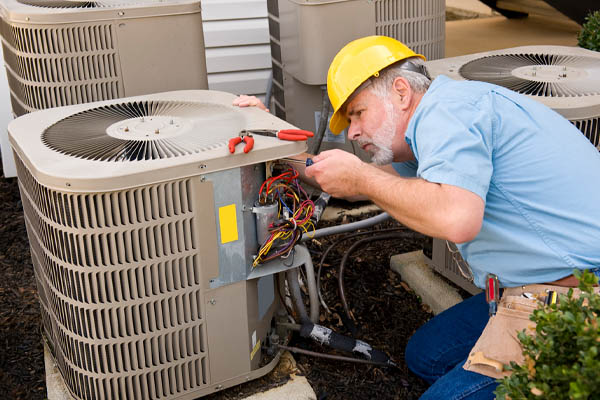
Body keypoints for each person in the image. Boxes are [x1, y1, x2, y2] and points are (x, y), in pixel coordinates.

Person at [235, 35, 600, 399]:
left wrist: (362, 176)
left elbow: (456, 218)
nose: (353, 132)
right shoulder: (435, 121)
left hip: (575, 294)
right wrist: (275, 140)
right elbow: (367, 183)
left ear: (400, 92)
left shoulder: (449, 113)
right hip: (531, 281)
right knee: (426, 356)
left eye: (358, 113)